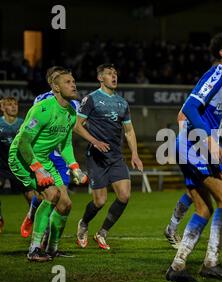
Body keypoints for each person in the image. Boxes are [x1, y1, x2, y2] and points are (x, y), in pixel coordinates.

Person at [165, 30, 222, 282]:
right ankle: (211, 262)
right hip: (193, 146)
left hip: (193, 147)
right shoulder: (217, 74)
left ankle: (178, 265)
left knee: (203, 208)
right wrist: (210, 140)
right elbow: (190, 108)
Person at [8, 69, 87, 261]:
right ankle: (34, 249)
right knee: (52, 195)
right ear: (56, 87)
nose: (73, 85)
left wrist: (74, 166)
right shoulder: (42, 109)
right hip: (22, 157)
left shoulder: (70, 112)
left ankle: (52, 249)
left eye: (74, 81)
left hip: (44, 159)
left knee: (66, 204)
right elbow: (24, 142)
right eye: (68, 82)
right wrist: (37, 168)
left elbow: (66, 143)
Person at [74, 64, 143, 251]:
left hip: (116, 157)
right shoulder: (91, 99)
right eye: (109, 74)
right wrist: (94, 141)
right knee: (100, 201)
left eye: (115, 74)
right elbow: (77, 125)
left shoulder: (122, 103)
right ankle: (83, 224)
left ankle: (102, 232)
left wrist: (135, 154)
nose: (114, 76)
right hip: (96, 157)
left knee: (125, 195)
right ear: (100, 78)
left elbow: (129, 131)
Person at [20, 66, 81, 239]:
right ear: (52, 83)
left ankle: (49, 243)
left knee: (63, 201)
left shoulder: (73, 103)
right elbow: (34, 126)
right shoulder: (42, 101)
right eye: (58, 78)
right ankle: (32, 213)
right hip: (43, 155)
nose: (68, 83)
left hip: (61, 157)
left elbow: (74, 126)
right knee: (48, 196)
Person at [0, 97, 33, 233]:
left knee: (31, 196)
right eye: (9, 105)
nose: (14, 107)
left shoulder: (23, 123)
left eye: (15, 104)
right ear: (2, 108)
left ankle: (34, 218)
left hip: (19, 164)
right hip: (1, 165)